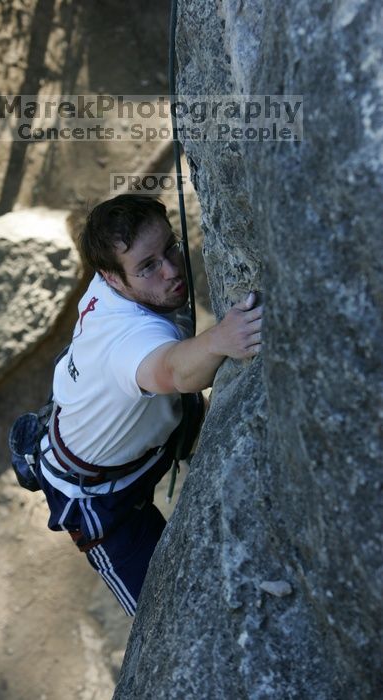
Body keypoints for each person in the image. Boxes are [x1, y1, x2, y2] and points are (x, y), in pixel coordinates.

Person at [36, 194, 262, 615]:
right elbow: (177, 372)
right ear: (113, 278)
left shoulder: (111, 287)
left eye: (170, 247)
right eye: (148, 266)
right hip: (96, 499)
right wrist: (220, 339)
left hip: (119, 439)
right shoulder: (129, 341)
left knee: (184, 406)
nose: (173, 271)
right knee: (164, 613)